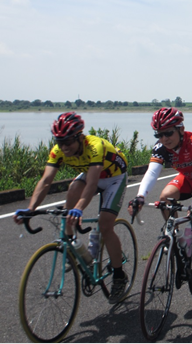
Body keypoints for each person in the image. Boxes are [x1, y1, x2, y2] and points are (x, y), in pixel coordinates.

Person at [14, 112, 130, 304]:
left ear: (79, 137)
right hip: (92, 175)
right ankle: (71, 243)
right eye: (60, 142)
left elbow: (92, 184)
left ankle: (119, 276)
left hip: (114, 178)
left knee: (105, 225)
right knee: (73, 188)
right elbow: (45, 181)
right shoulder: (58, 151)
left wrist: (79, 209)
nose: (64, 147)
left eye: (68, 141)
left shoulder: (94, 146)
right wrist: (31, 208)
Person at [127, 107, 192, 302]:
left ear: (181, 129)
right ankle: (181, 240)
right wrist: (140, 196)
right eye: (159, 134)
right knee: (164, 199)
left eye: (168, 133)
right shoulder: (161, 148)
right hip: (187, 178)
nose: (164, 138)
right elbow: (152, 172)